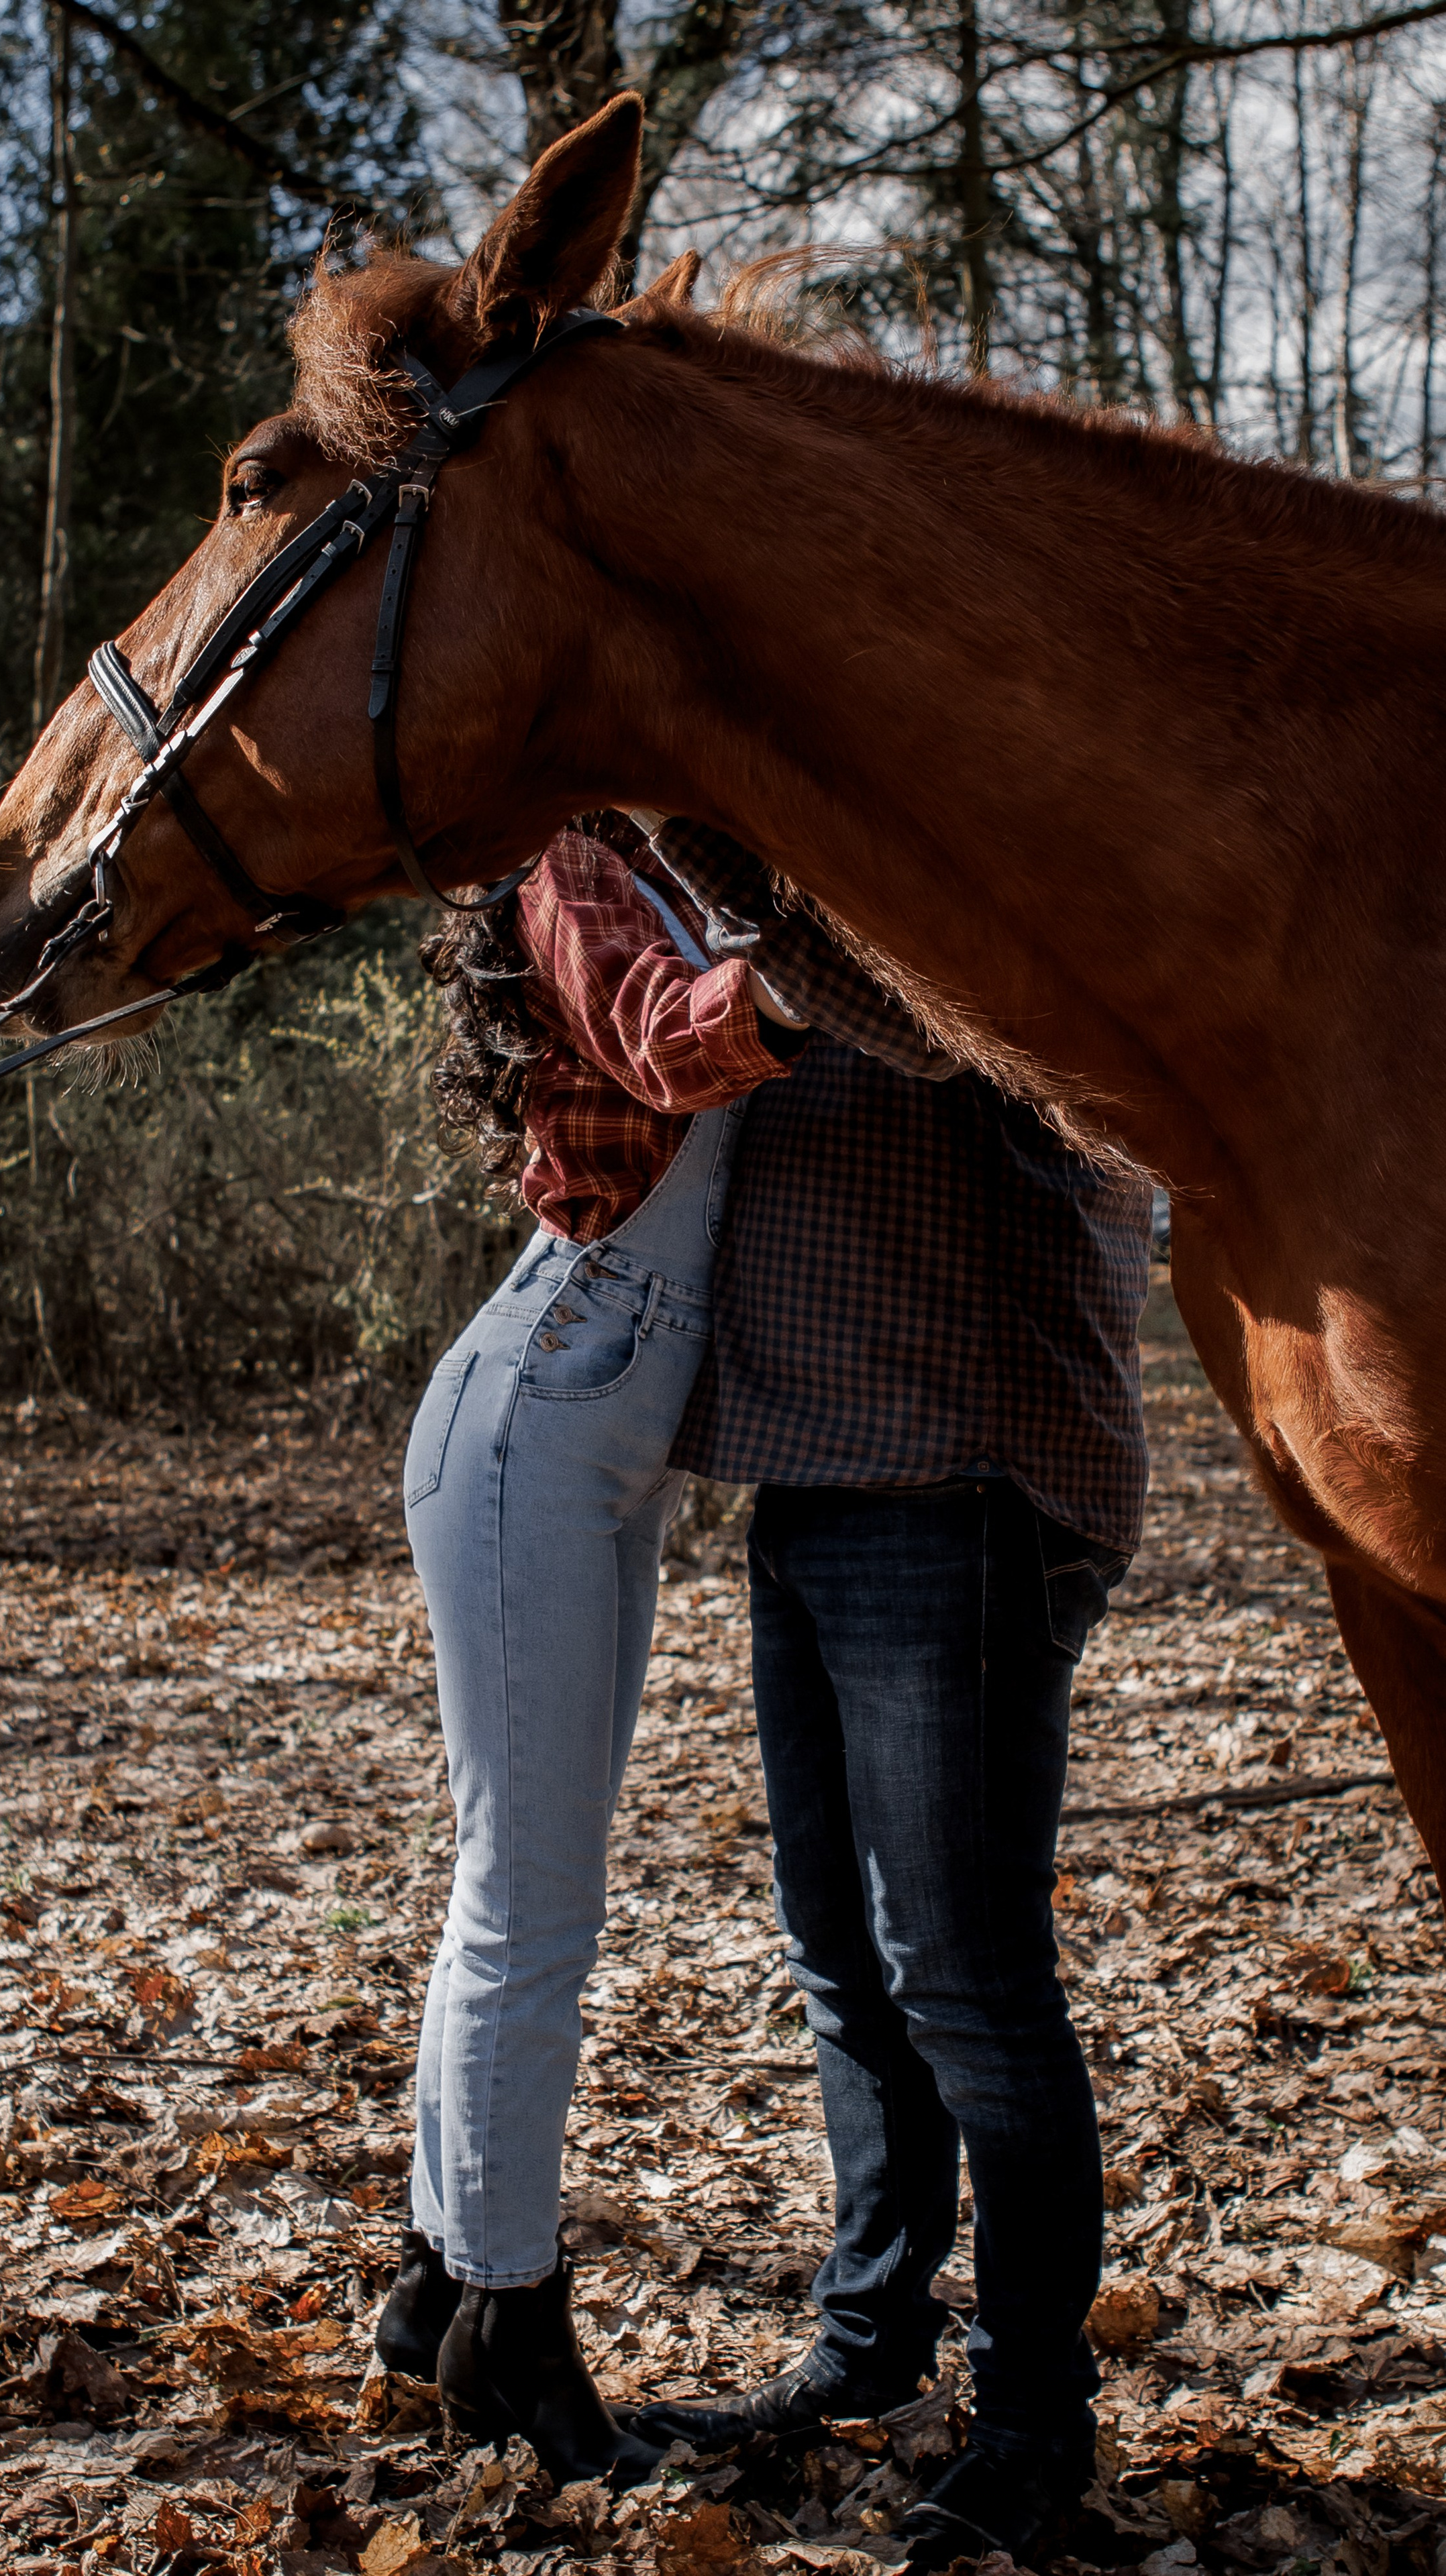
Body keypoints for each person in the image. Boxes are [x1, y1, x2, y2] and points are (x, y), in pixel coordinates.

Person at [621, 822, 1153, 2570]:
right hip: (819, 1474)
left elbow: (924, 1024)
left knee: (965, 1985)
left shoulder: (951, 857)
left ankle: (1031, 2426)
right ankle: (867, 2354)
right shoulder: (797, 867)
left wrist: (710, 840)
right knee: (848, 1967)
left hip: (964, 1478)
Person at [370, 822, 808, 2487]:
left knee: (522, 1881)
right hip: (540, 1406)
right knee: (527, 1900)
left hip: (598, 1419)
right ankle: (505, 2311)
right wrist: (827, 987)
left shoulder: (700, 857)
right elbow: (653, 1035)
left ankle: (431, 2278)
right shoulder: (569, 859)